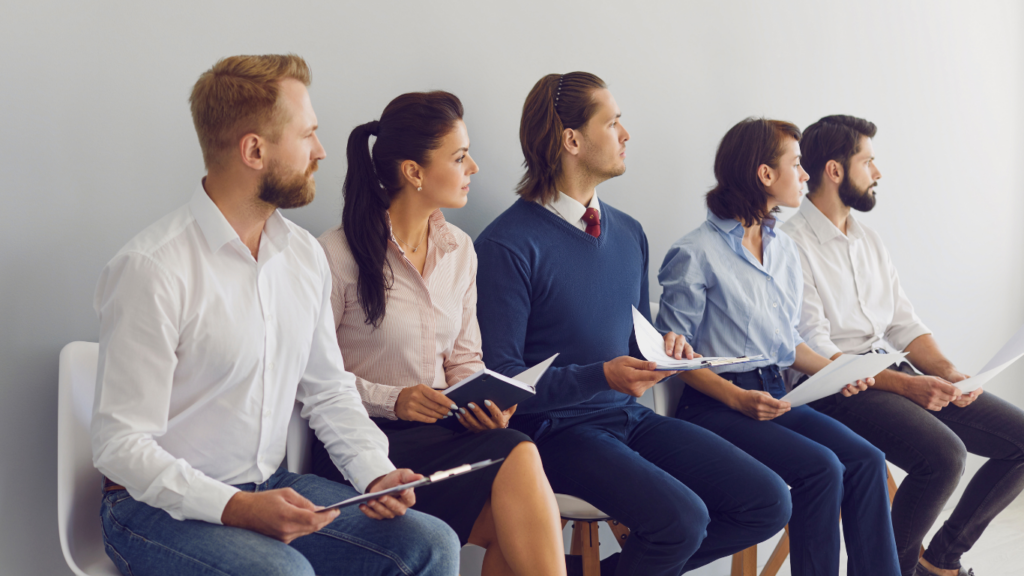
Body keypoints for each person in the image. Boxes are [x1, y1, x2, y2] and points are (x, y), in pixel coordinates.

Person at [91, 54, 459, 576]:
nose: (321, 151)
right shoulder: (152, 268)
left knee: (431, 544)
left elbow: (328, 391)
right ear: (254, 150)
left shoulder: (303, 255)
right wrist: (236, 507)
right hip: (150, 508)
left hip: (265, 487)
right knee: (282, 573)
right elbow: (119, 445)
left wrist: (376, 474)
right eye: (307, 135)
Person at [474, 72, 792, 576]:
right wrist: (602, 376)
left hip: (629, 418)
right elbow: (504, 385)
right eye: (613, 122)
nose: (625, 134)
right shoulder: (506, 246)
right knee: (683, 520)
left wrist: (665, 351)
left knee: (768, 500)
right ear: (572, 140)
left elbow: (632, 342)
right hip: (555, 434)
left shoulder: (628, 233)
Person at [310, 91, 566, 576]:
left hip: (441, 436)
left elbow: (466, 358)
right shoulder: (334, 255)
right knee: (516, 491)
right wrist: (394, 399)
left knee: (516, 466)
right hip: (365, 445)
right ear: (414, 171)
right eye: (459, 156)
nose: (473, 166)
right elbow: (314, 379)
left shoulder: (460, 251)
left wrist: (483, 401)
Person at [655, 117, 900, 576]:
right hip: (716, 404)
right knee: (822, 468)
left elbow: (789, 344)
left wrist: (835, 369)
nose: (806, 175)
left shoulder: (783, 249)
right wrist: (737, 398)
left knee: (867, 459)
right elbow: (671, 357)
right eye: (797, 164)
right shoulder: (696, 252)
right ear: (765, 175)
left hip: (775, 396)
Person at [782, 114, 1024, 576]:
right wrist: (908, 386)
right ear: (835, 171)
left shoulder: (868, 241)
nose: (878, 173)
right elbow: (818, 351)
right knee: (944, 457)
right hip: (838, 390)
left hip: (893, 374)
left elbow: (903, 324)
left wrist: (949, 372)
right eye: (868, 162)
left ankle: (941, 561)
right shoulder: (792, 246)